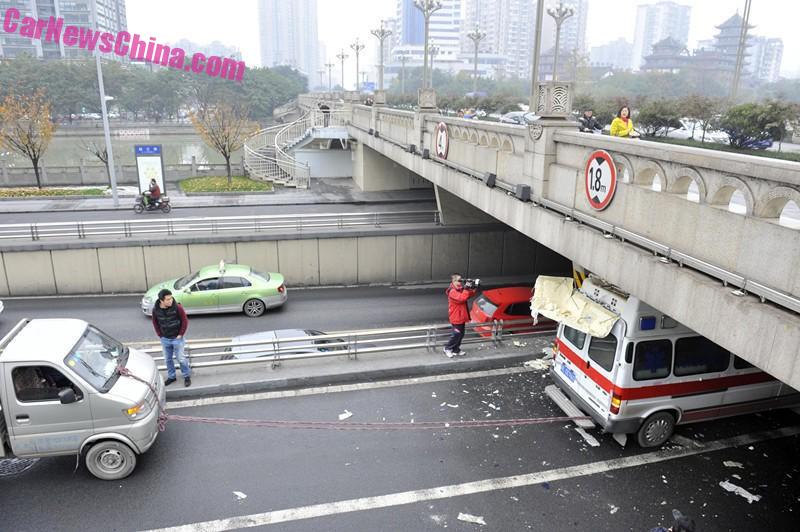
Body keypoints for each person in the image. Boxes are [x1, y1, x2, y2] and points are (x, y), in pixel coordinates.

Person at [152, 288, 191, 387]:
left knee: (181, 358)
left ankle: (186, 376)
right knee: (167, 360)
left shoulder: (177, 307)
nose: (171, 301)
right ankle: (172, 377)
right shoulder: (156, 310)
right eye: (168, 299)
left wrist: (180, 335)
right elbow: (155, 323)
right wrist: (160, 335)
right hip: (165, 339)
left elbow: (185, 321)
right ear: (161, 300)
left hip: (177, 338)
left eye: (171, 298)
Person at [444, 274, 478, 358]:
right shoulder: (452, 291)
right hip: (456, 317)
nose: (461, 282)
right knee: (456, 334)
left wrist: (475, 286)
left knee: (461, 334)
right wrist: (466, 288)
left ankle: (456, 349)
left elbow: (469, 295)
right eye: (459, 280)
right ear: (454, 281)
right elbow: (462, 298)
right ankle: (447, 348)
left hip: (461, 316)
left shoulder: (459, 289)